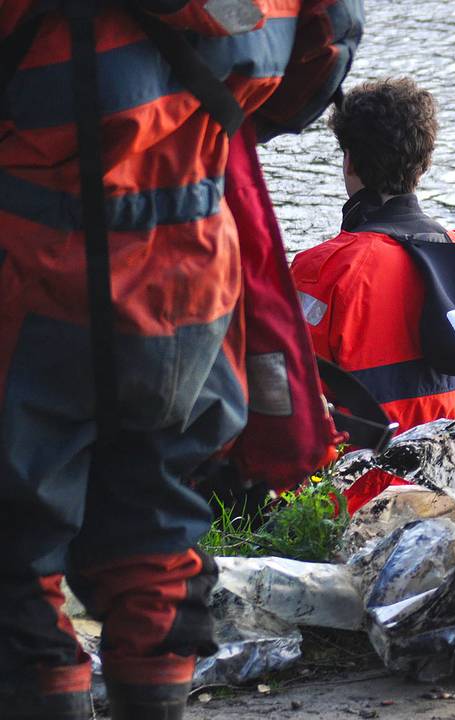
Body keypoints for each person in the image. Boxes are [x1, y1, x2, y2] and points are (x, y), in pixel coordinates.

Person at [0, 0, 360, 717]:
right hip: (187, 273)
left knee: (17, 542)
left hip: (29, 270)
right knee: (155, 520)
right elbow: (326, 48)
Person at [290, 77, 455, 511]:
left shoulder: (323, 272)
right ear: (423, 165)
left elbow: (288, 403)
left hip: (362, 512)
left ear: (348, 162)